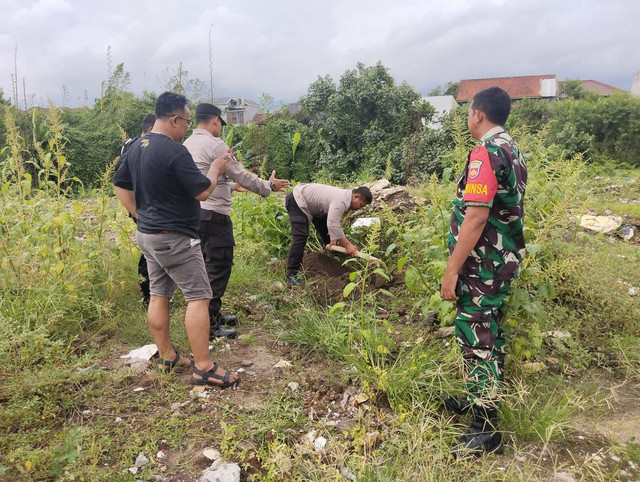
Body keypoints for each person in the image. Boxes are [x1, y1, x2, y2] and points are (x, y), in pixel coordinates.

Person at [113, 92, 239, 389]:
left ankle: (167, 356)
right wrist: (216, 168)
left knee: (159, 295)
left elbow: (120, 185)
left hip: (147, 237)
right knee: (199, 297)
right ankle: (204, 367)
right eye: (186, 121)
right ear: (174, 119)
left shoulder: (135, 147)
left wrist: (139, 216)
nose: (187, 128)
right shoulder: (173, 151)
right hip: (175, 238)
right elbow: (203, 192)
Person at [440, 87, 527, 455]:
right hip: (501, 260)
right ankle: (481, 399)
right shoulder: (512, 147)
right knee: (489, 332)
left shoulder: (486, 152)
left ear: (477, 114)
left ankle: (486, 429)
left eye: (468, 113)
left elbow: (475, 217)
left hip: (483, 265)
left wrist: (451, 269)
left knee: (476, 337)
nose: (468, 118)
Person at [184, 103, 290, 339]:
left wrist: (231, 186)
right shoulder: (215, 144)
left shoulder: (187, 144)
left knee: (203, 266)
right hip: (215, 216)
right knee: (218, 266)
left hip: (195, 214)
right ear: (214, 121)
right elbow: (240, 172)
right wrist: (268, 186)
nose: (220, 127)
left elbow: (203, 178)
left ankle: (212, 315)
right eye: (221, 123)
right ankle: (210, 324)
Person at [285, 184, 372, 285]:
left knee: (325, 227)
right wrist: (347, 245)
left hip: (315, 208)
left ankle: (333, 252)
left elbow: (333, 221)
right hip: (297, 200)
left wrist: (333, 239)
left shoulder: (346, 198)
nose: (360, 208)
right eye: (361, 205)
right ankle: (291, 274)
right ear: (356, 196)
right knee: (301, 237)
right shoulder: (342, 200)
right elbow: (333, 224)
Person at [116, 113, 156, 305]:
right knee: (149, 250)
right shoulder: (139, 146)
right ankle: (149, 293)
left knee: (149, 248)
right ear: (150, 129)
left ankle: (151, 291)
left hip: (139, 206)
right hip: (143, 206)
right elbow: (120, 179)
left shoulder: (131, 144)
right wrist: (136, 211)